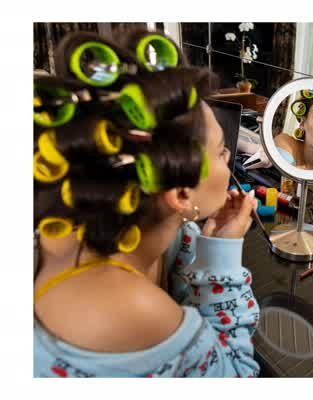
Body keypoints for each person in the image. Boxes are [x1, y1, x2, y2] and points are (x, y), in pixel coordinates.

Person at [33, 30, 260, 377]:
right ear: (181, 194)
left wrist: (200, 236)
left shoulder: (73, 229)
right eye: (220, 152)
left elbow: (172, 242)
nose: (229, 158)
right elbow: (237, 373)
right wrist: (223, 257)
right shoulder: (137, 311)